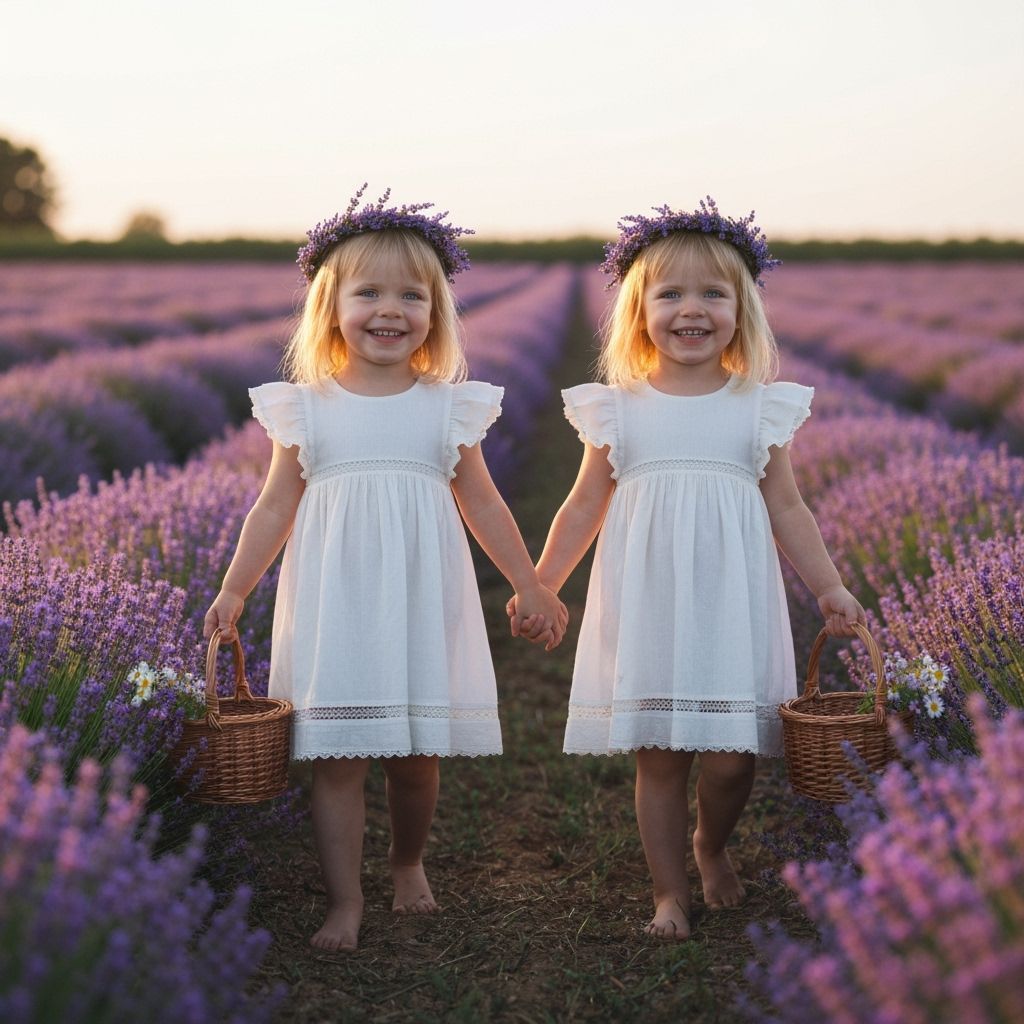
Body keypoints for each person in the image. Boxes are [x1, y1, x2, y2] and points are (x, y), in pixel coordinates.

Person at [204, 186, 566, 953]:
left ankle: (406, 862)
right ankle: (345, 901)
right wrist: (236, 588)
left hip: (416, 596)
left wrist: (529, 581)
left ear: (435, 314)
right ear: (331, 308)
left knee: (413, 757)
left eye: (412, 294)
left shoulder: (445, 409)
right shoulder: (306, 409)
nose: (389, 309)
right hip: (337, 601)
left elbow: (486, 506)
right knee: (337, 759)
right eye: (368, 292)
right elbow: (272, 508)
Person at [510, 198, 865, 941]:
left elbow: (790, 508)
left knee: (735, 759)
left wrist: (828, 585)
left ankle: (710, 844)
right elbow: (582, 506)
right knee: (661, 757)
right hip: (650, 597)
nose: (691, 310)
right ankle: (668, 891)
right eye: (670, 294)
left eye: (713, 294)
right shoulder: (619, 410)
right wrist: (540, 582)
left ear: (742, 311)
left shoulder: (757, 407)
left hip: (732, 597)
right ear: (639, 313)